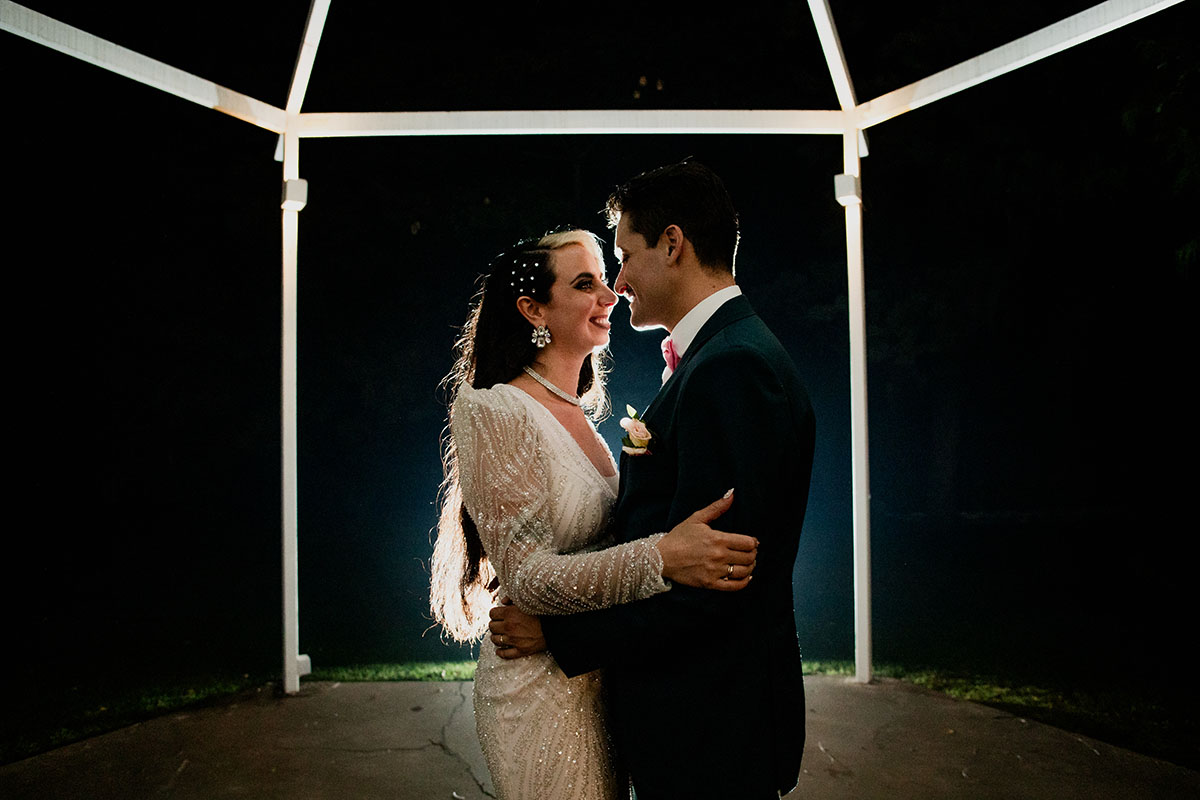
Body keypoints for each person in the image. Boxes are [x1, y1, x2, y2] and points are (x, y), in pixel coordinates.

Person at [488, 161, 816, 799]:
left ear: (673, 243)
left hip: (710, 726)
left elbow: (717, 582)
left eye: (625, 255)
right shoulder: (720, 356)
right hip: (707, 720)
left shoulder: (733, 369)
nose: (619, 281)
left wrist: (558, 635)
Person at [429, 228, 761, 800]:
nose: (610, 296)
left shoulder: (581, 415)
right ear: (533, 308)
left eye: (606, 280)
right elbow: (528, 578)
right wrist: (663, 557)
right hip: (539, 694)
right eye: (586, 284)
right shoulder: (494, 408)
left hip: (597, 676)